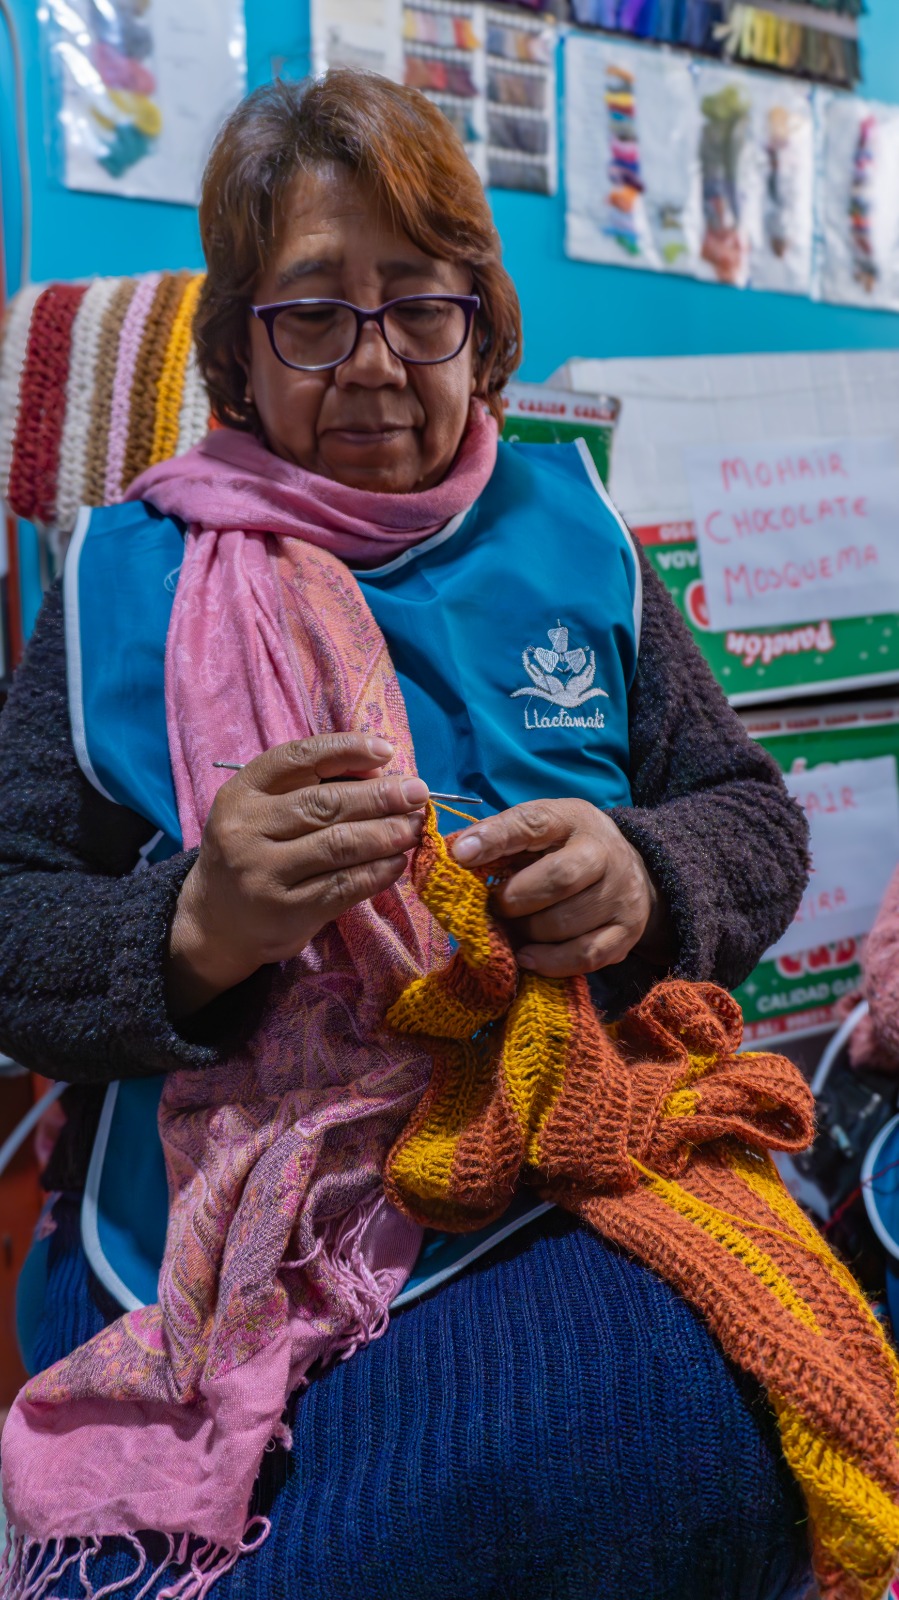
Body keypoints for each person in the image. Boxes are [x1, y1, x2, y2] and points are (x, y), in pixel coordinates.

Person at [0, 72, 814, 1600]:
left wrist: (647, 877)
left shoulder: (573, 532)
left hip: (569, 1142)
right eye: (315, 313)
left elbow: (752, 816)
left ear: (478, 324)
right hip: (216, 1209)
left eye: (420, 307)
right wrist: (192, 928)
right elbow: (11, 917)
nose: (373, 362)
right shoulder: (123, 573)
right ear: (241, 346)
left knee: (724, 1451)